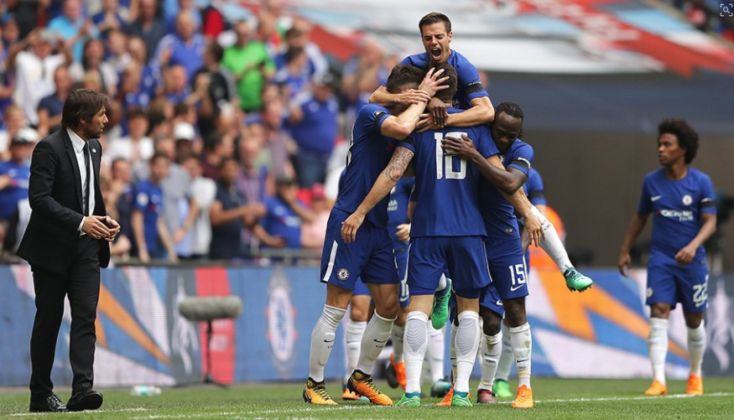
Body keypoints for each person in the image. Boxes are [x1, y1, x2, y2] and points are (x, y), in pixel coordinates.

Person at [342, 65, 543, 407]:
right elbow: (500, 178)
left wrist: (360, 210)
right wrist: (527, 211)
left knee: (417, 312)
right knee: (469, 311)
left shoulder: (419, 126)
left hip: (427, 230)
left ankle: (412, 392)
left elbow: (394, 173)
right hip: (469, 231)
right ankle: (462, 390)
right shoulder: (478, 129)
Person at [302, 64, 445, 406]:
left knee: (390, 305)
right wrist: (423, 96)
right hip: (349, 220)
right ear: (401, 94)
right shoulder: (371, 115)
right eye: (413, 95)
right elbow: (401, 123)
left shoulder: (404, 134)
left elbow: (397, 172)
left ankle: (361, 378)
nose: (418, 101)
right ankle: (314, 384)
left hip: (376, 227)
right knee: (337, 308)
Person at [17, 89, 120, 413]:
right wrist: (80, 222)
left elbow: (88, 194)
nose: (106, 120)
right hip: (51, 248)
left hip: (86, 247)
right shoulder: (48, 148)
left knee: (86, 316)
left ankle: (82, 388)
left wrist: (101, 219)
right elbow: (39, 199)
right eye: (101, 114)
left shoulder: (95, 147)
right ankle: (40, 394)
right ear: (83, 119)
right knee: (49, 320)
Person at [618, 119, 716, 396]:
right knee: (658, 312)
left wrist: (693, 246)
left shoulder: (701, 182)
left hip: (692, 262)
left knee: (694, 320)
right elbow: (640, 216)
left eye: (666, 144)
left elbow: (710, 221)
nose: (660, 149)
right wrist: (625, 249)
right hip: (661, 260)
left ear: (682, 150)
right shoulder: (651, 181)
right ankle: (658, 380)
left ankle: (695, 373)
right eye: (659, 144)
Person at [369, 12, 493, 129]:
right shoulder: (411, 63)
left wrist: (442, 120)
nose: (433, 42)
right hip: (418, 127)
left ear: (449, 36)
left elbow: (487, 111)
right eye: (428, 38)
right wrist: (403, 97)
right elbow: (375, 97)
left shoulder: (463, 66)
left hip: (457, 128)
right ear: (422, 39)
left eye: (439, 37)